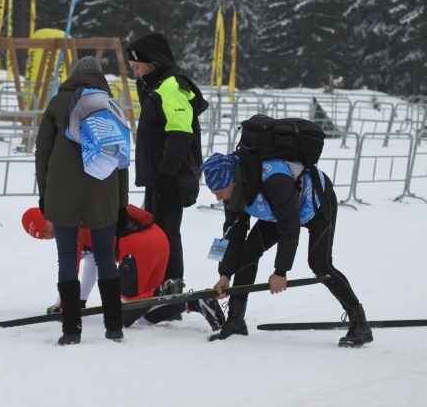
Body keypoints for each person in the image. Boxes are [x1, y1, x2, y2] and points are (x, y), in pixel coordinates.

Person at [200, 152, 373, 347]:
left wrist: (280, 271)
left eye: (219, 191)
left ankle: (360, 324)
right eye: (213, 192)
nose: (217, 197)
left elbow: (289, 228)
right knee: (248, 251)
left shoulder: (275, 181)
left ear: (233, 181)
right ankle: (236, 321)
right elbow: (230, 232)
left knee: (320, 264)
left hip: (316, 203)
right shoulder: (233, 194)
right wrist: (224, 274)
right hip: (278, 212)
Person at [35, 56, 130, 345]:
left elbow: (42, 151)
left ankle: (71, 330)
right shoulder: (111, 107)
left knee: (67, 257)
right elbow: (122, 158)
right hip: (104, 189)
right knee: (104, 256)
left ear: (73, 75)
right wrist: (122, 203)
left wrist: (44, 192)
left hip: (62, 188)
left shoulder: (58, 103)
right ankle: (114, 327)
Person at [21, 205, 225, 331]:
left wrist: (62, 305)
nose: (51, 235)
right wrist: (80, 301)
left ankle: (162, 290)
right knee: (147, 313)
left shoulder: (70, 224)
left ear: (48, 215)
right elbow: (92, 263)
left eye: (47, 228)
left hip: (138, 245)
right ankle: (195, 302)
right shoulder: (77, 215)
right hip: (156, 240)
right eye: (45, 236)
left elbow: (70, 270)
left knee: (121, 314)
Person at [126, 33, 209, 297]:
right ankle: (159, 286)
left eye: (137, 67)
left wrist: (165, 173)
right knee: (156, 234)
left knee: (166, 236)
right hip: (159, 177)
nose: (135, 73)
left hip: (170, 177)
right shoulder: (157, 85)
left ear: (153, 62)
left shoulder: (171, 86)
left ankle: (171, 292)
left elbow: (181, 134)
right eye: (132, 68)